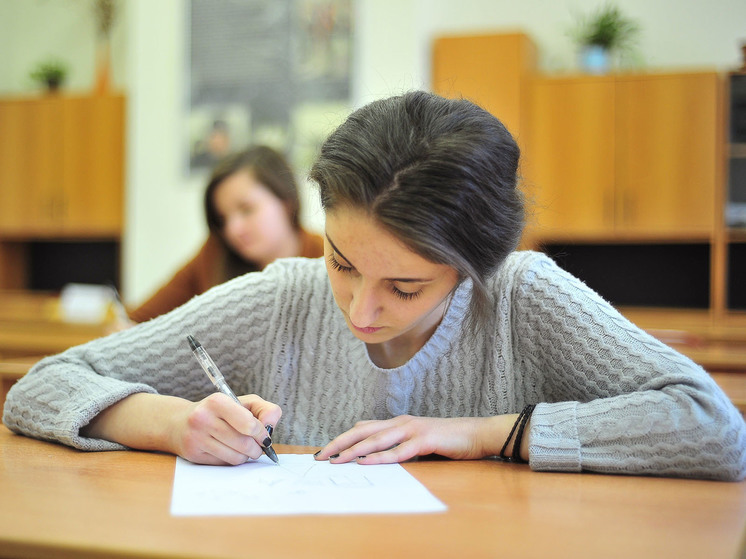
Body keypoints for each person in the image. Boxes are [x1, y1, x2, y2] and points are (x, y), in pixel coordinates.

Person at [4, 91, 745, 481]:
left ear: (472, 266)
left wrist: (487, 434)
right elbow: (38, 387)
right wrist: (169, 423)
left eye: (407, 285)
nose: (362, 311)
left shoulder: (519, 293)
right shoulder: (282, 295)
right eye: (343, 261)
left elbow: (715, 429)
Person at [126, 145, 324, 323]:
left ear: (285, 202)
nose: (232, 230)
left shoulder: (327, 258)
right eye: (222, 219)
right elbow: (138, 320)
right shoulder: (215, 252)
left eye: (247, 209)